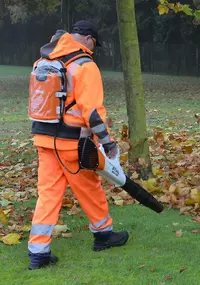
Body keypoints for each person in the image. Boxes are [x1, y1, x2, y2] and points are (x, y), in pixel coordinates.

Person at [27, 20, 129, 270]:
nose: (93, 49)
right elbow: (93, 113)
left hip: (43, 138)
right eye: (94, 43)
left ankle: (38, 252)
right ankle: (104, 234)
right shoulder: (84, 65)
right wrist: (108, 143)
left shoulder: (43, 60)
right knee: (89, 187)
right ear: (86, 38)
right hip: (72, 142)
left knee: (48, 194)